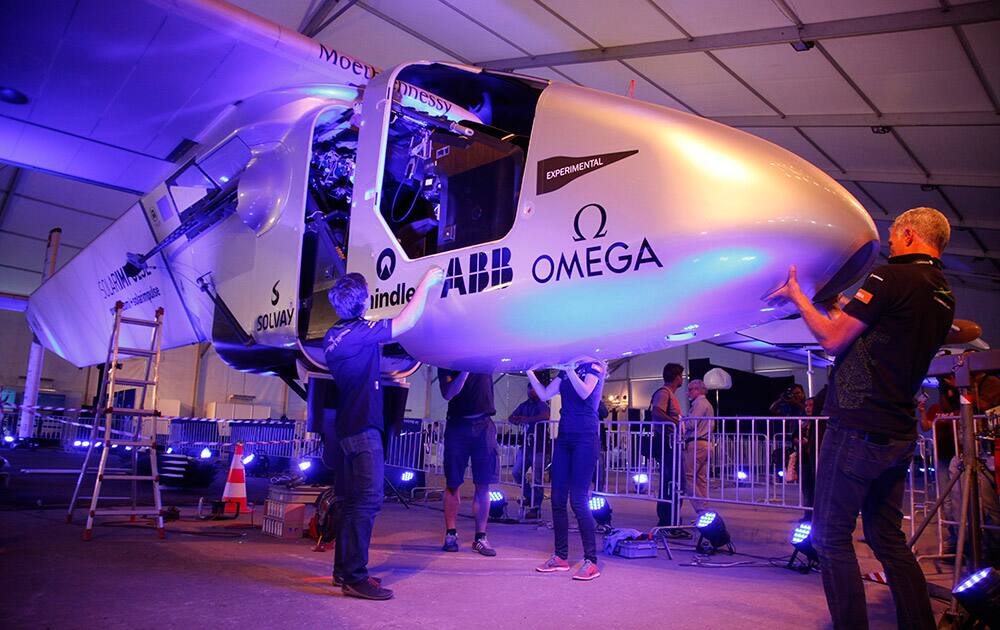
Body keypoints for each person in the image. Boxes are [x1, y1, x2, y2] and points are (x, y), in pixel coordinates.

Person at [768, 206, 955, 629]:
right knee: (887, 537)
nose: (889, 242)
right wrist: (837, 303)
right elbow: (872, 336)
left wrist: (797, 296)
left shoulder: (891, 277)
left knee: (831, 536)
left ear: (908, 235)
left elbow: (835, 341)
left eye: (893, 235)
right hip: (898, 429)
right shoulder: (941, 290)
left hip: (858, 426)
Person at [324, 267, 444, 600]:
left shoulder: (335, 335)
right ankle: (355, 577)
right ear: (362, 301)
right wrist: (428, 281)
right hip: (363, 428)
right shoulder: (358, 333)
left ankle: (342, 571)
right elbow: (405, 322)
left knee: (351, 503)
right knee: (369, 501)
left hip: (347, 426)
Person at [527, 357, 606, 580]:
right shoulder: (566, 370)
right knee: (557, 499)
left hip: (585, 438)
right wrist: (530, 372)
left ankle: (591, 560)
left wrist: (569, 370)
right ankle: (560, 557)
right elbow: (544, 395)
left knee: (578, 500)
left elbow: (585, 393)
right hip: (564, 438)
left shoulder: (594, 366)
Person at [439, 369, 498, 556]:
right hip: (457, 424)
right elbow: (448, 393)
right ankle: (451, 533)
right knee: (453, 483)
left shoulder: (485, 357)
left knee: (483, 484)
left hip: (484, 424)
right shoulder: (447, 360)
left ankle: (481, 537)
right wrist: (465, 369)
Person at [650, 363, 685, 532]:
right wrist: (676, 423)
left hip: (670, 442)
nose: (683, 378)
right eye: (681, 375)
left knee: (672, 481)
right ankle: (668, 520)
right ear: (676, 376)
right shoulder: (664, 393)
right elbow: (657, 412)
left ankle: (670, 519)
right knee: (672, 481)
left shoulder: (669, 394)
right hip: (668, 443)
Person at [509, 384, 551, 519]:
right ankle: (529, 496)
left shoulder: (542, 404)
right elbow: (511, 417)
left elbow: (546, 415)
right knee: (516, 472)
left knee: (537, 478)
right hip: (525, 446)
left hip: (539, 446)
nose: (531, 391)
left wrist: (526, 420)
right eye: (529, 388)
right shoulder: (524, 405)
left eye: (534, 388)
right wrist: (517, 420)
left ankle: (536, 506)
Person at [683, 379, 713, 514]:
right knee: (701, 479)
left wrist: (681, 421)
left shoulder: (699, 403)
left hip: (697, 443)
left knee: (688, 477)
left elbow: (691, 424)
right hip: (705, 444)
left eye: (690, 389)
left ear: (698, 390)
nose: (688, 392)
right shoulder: (707, 404)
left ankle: (701, 509)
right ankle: (705, 509)